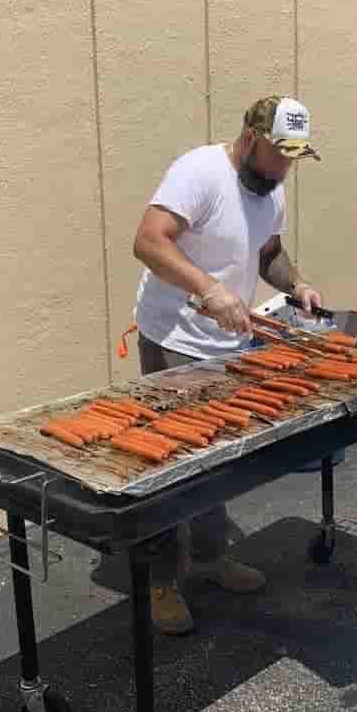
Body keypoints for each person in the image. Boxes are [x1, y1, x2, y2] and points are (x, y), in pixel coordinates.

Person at [131, 95, 324, 635]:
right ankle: (163, 581)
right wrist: (210, 288)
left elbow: (268, 253)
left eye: (294, 157)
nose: (284, 167)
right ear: (251, 137)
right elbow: (148, 241)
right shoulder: (199, 172)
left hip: (226, 347)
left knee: (220, 460)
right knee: (171, 464)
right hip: (175, 339)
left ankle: (212, 558)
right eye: (278, 154)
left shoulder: (272, 192)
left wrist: (297, 284)